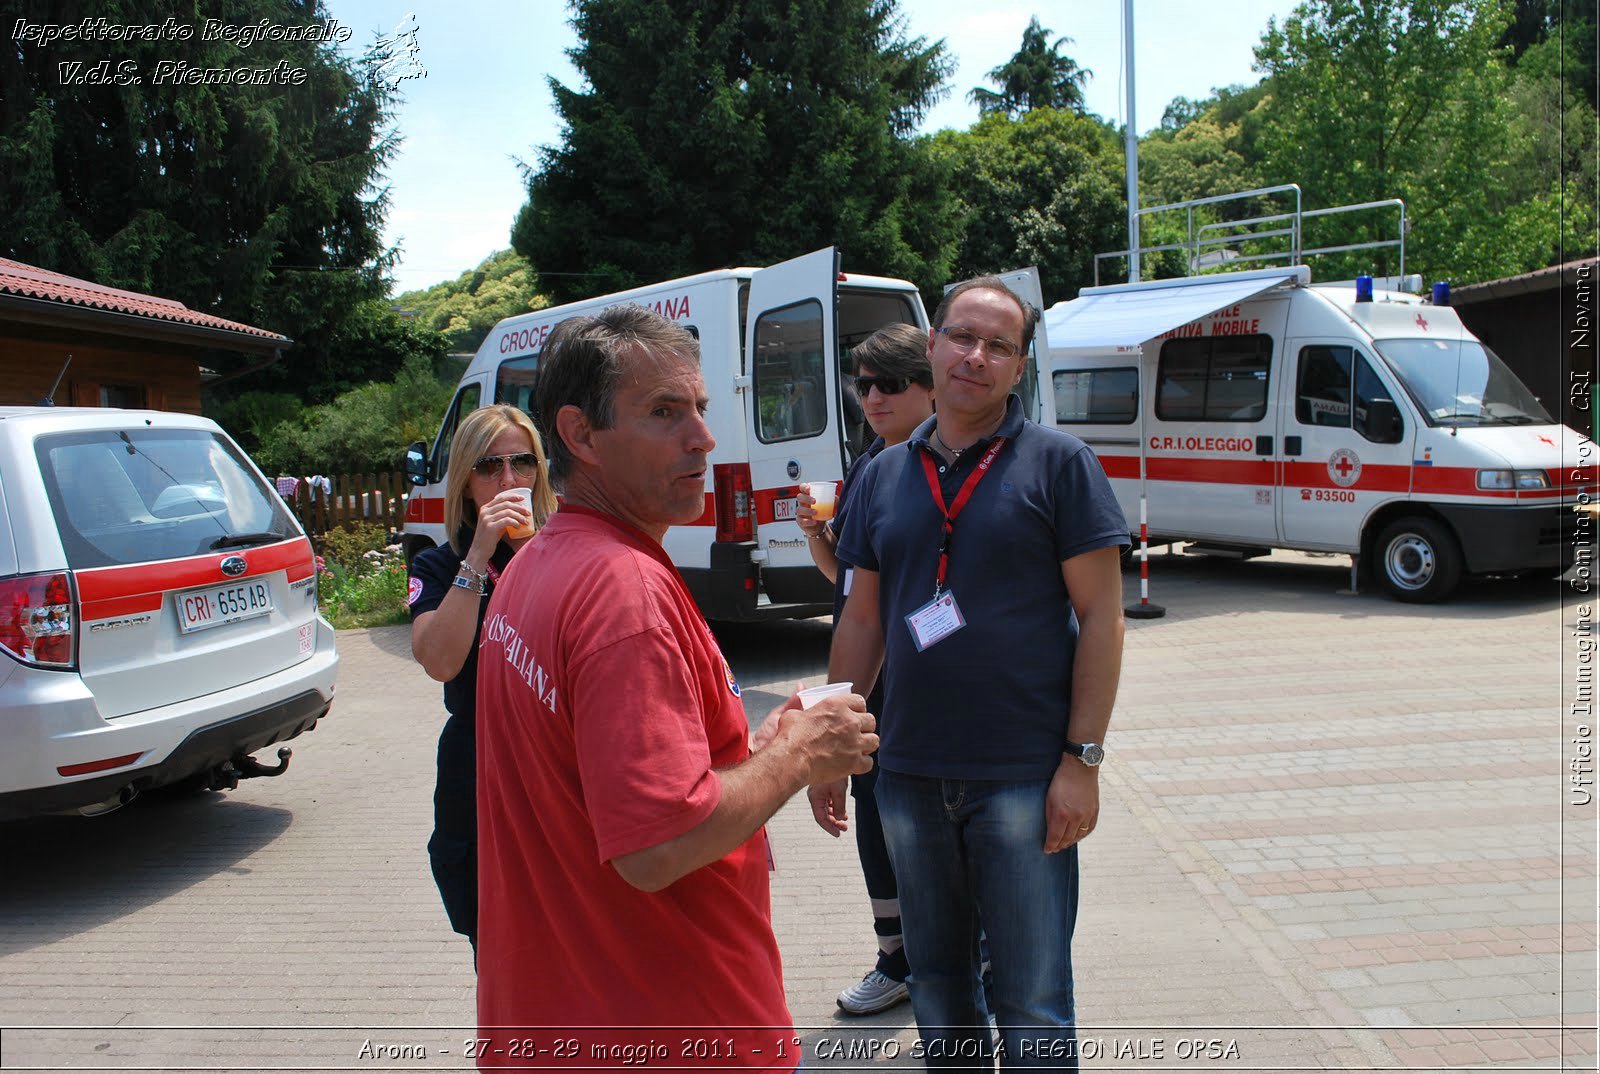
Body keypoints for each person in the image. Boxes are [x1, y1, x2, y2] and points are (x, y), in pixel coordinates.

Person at [474, 306, 879, 1067]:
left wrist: (762, 744)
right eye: (665, 413)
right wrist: (796, 760)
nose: (703, 437)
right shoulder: (624, 591)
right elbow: (656, 846)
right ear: (580, 434)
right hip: (676, 1025)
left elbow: (603, 777)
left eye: (699, 408)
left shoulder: (537, 563)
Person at [819, 278, 1129, 1069]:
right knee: (940, 990)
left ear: (1019, 367)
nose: (975, 357)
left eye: (998, 345)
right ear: (933, 345)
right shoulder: (884, 477)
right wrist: (827, 741)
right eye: (962, 337)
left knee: (1033, 1001)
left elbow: (1102, 617)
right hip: (910, 776)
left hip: (1023, 780)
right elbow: (862, 619)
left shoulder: (1061, 465)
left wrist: (1081, 762)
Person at [797, 323, 933, 1016]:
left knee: (923, 821)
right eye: (864, 384)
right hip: (869, 677)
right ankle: (895, 954)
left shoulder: (945, 467)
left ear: (930, 384)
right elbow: (849, 584)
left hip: (922, 680)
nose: (873, 397)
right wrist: (818, 535)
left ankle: (943, 956)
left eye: (891, 383)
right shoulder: (868, 468)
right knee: (872, 814)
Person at [407, 403, 557, 953]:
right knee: (494, 942)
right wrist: (479, 555)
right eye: (490, 466)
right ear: (465, 479)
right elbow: (439, 661)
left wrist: (535, 552)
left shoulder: (566, 548)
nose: (509, 479)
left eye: (522, 461)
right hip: (480, 763)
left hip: (553, 759)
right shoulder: (441, 565)